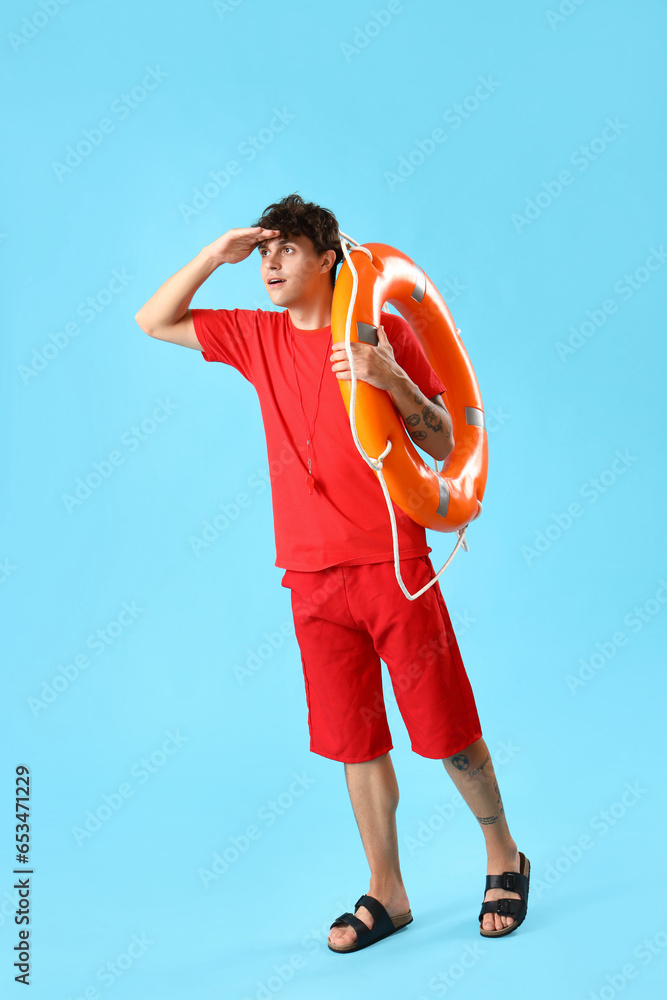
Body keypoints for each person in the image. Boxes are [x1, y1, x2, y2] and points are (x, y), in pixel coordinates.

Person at [135, 193, 530, 952]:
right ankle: (388, 892)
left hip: (393, 563)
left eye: (286, 249)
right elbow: (152, 320)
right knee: (355, 743)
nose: (271, 263)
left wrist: (391, 377)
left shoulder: (377, 334)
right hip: (310, 577)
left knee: (447, 733)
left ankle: (502, 855)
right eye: (263, 253)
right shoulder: (256, 338)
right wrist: (215, 255)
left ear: (327, 260)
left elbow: (447, 437)